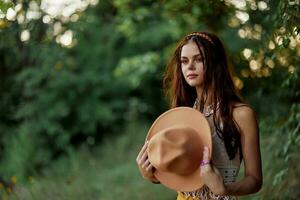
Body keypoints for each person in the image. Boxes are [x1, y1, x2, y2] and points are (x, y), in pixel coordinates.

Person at [136, 31, 262, 200]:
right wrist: (152, 175)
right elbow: (181, 170)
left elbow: (254, 180)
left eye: (199, 59)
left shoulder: (241, 115)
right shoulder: (182, 113)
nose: (190, 67)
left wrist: (224, 189)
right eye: (184, 61)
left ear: (215, 62)